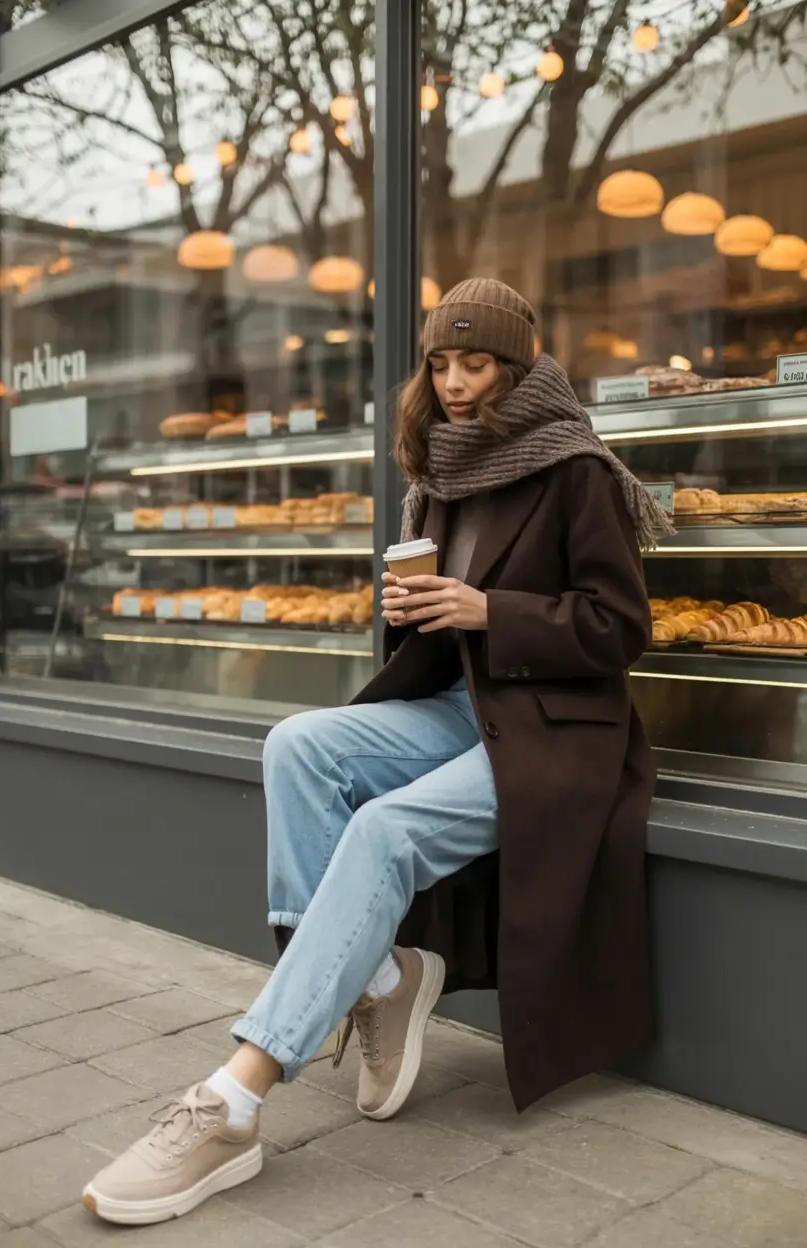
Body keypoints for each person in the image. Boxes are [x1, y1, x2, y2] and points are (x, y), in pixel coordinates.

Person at [82, 279, 669, 1226]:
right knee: (297, 744)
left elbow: (621, 627)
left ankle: (234, 1100)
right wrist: (412, 613)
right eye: (440, 364)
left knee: (385, 831)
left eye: (475, 364)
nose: (454, 384)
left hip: (557, 729)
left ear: (519, 367)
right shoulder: (436, 470)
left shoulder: (578, 470)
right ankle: (383, 980)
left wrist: (490, 610)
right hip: (461, 705)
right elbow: (436, 641)